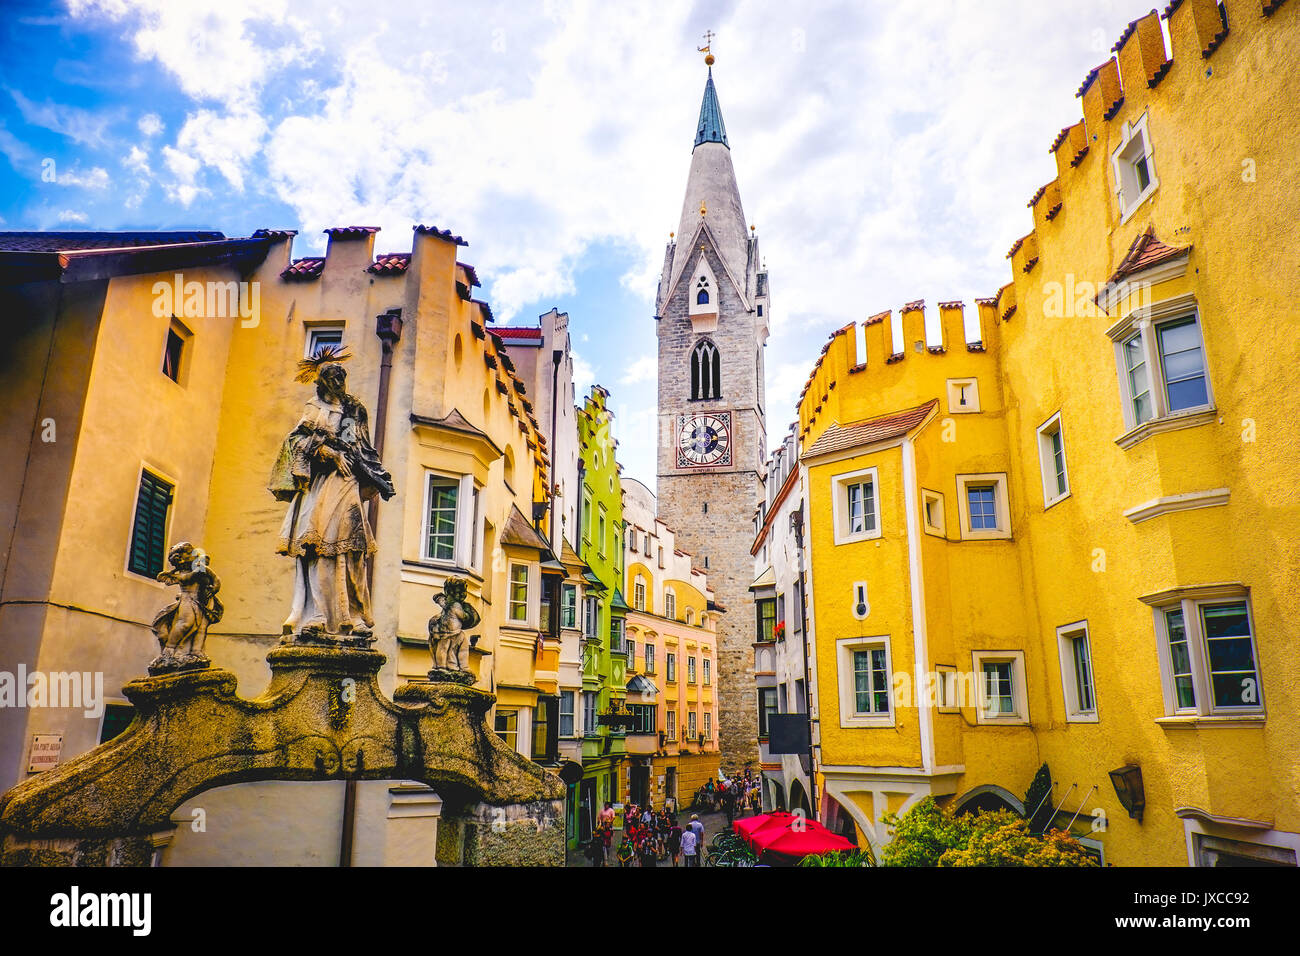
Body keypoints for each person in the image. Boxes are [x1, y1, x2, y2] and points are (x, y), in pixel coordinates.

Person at [270, 349, 394, 639]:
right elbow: (296, 441)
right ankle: (318, 615)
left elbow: (363, 447)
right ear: (322, 382)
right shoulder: (313, 408)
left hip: (347, 482)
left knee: (353, 548)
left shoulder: (355, 409)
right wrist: (326, 451)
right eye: (331, 376)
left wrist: (375, 475)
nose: (338, 380)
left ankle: (354, 616)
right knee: (318, 547)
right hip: (320, 484)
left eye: (341, 375)